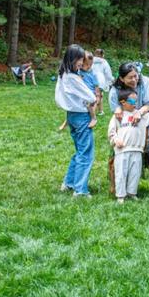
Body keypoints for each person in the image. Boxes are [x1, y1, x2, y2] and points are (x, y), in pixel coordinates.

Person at [55, 44, 97, 198]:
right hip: (81, 116)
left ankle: (69, 182)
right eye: (79, 59)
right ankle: (80, 190)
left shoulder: (63, 74)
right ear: (72, 59)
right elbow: (91, 97)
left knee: (80, 151)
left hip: (71, 115)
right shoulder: (73, 78)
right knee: (86, 153)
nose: (81, 62)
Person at [108, 89, 149, 204]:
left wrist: (141, 112)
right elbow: (111, 132)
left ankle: (132, 193)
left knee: (135, 173)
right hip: (122, 150)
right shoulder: (118, 116)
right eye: (132, 100)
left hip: (137, 149)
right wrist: (116, 140)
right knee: (121, 173)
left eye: (136, 100)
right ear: (123, 102)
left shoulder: (142, 116)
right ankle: (120, 196)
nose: (135, 103)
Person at [59, 51, 98, 130]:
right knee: (72, 106)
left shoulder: (92, 73)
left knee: (89, 106)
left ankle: (94, 118)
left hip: (89, 94)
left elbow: (96, 85)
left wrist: (97, 94)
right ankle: (67, 121)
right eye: (86, 64)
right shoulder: (77, 71)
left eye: (90, 65)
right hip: (81, 94)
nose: (88, 67)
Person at [91, 49, 114, 116]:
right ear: (102, 55)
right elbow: (108, 73)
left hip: (92, 78)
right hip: (100, 80)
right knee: (99, 96)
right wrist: (112, 79)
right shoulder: (104, 62)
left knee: (96, 95)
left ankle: (101, 111)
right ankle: (92, 112)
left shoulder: (90, 60)